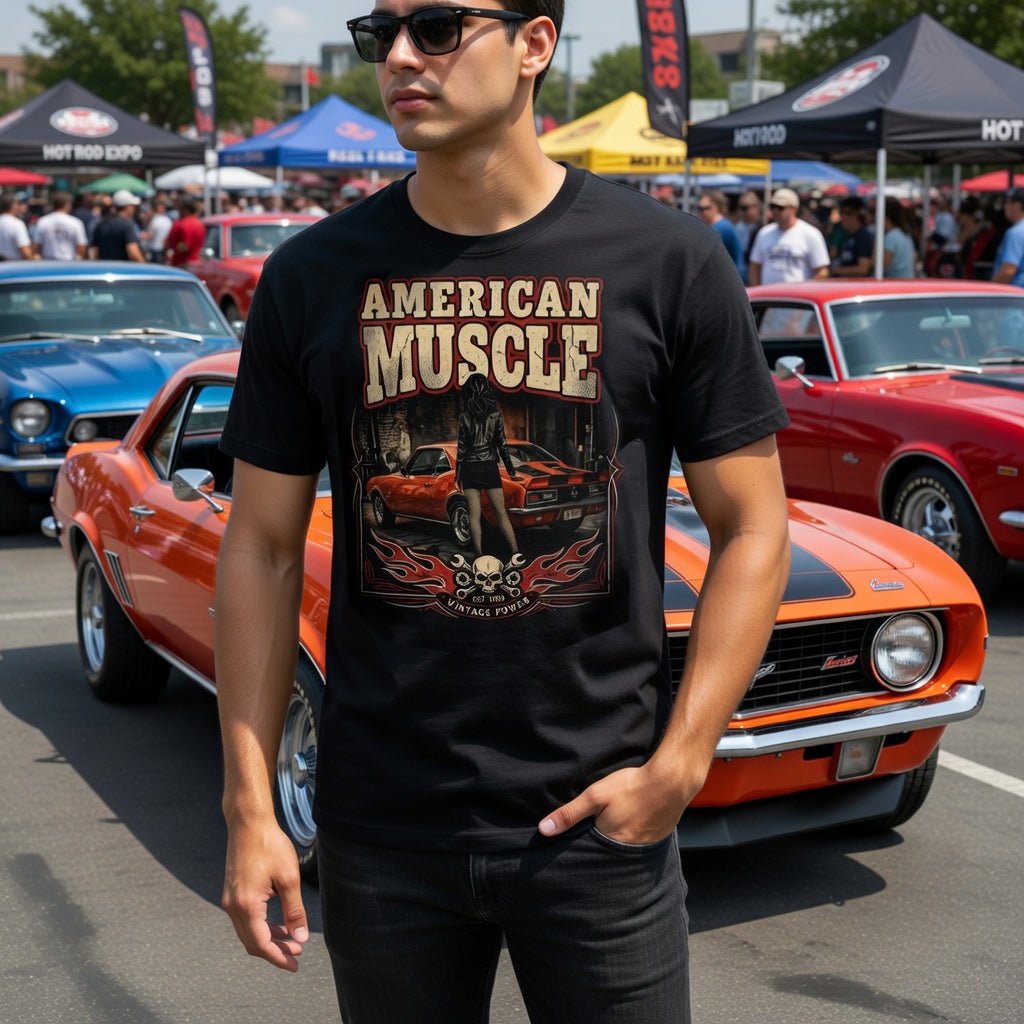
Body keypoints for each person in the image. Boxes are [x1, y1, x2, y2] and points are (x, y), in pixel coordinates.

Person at [214, 4, 791, 1023]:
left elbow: (752, 526)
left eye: (435, 28)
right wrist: (251, 805)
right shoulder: (310, 276)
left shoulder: (668, 259)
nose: (398, 55)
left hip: (599, 829)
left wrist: (681, 762)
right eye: (378, 30)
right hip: (384, 825)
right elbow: (259, 546)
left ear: (532, 45)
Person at [455, 372, 522, 558]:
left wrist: (457, 476)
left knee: (474, 516)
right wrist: (511, 470)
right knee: (501, 513)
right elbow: (502, 445)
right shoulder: (495, 415)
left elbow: (461, 450)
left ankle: (478, 554)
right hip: (489, 468)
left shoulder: (464, 416)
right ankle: (516, 551)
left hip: (470, 469)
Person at [747, 187, 829, 285]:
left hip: (798, 298)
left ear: (794, 209)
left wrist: (805, 290)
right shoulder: (764, 233)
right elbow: (754, 266)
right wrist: (757, 290)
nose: (775, 211)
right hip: (768, 296)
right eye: (773, 206)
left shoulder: (811, 234)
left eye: (780, 207)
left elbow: (822, 271)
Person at [89, 189, 145, 261]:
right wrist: (143, 265)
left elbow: (95, 251)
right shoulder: (127, 225)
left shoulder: (101, 224)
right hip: (124, 270)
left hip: (105, 269)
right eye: (133, 206)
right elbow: (133, 252)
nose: (134, 209)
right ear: (127, 207)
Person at [696, 189, 743, 272]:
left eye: (706, 208)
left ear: (717, 207)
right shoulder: (718, 226)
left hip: (731, 278)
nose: (702, 212)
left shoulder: (722, 227)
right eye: (699, 208)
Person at [33, 191, 88, 260]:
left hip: (48, 263)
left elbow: (37, 246)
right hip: (69, 263)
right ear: (67, 204)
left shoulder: (43, 221)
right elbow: (81, 247)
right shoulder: (75, 222)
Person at [831, 196, 874, 277]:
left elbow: (863, 269)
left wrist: (835, 270)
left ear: (858, 214)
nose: (843, 217)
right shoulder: (846, 235)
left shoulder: (864, 237)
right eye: (841, 213)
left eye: (848, 213)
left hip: (856, 287)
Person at [990, 187, 1024, 287]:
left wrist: (988, 291)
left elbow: (1007, 272)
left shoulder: (1016, 233)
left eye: (1007, 202)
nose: (1005, 206)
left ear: (1017, 205)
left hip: (1015, 297)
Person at [164, 196, 206, 266]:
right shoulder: (199, 224)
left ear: (183, 208)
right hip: (196, 262)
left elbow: (184, 247)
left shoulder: (180, 224)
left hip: (181, 263)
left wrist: (170, 246)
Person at [881, 197, 916, 278]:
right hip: (907, 282)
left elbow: (884, 266)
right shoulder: (905, 235)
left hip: (895, 284)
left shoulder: (891, 237)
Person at [0, 192, 34, 260]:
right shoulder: (17, 224)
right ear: (13, 206)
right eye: (18, 204)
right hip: (14, 266)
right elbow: (26, 252)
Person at [141, 197, 173, 262]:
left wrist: (142, 236)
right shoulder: (168, 220)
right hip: (162, 250)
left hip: (154, 251)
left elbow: (151, 235)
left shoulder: (155, 220)